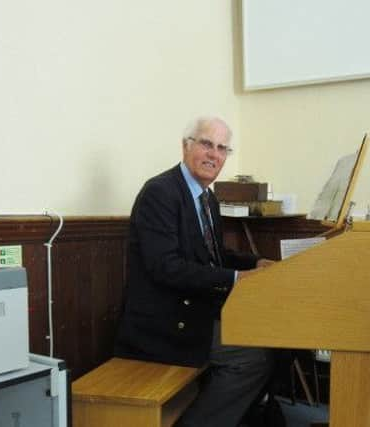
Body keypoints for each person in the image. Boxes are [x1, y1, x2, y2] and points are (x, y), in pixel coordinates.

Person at [115, 116, 275, 427]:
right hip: (163, 324)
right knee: (252, 358)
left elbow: (217, 255)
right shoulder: (160, 192)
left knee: (271, 338)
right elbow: (166, 266)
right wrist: (235, 279)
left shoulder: (207, 198)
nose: (213, 154)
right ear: (186, 146)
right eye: (206, 144)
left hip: (196, 312)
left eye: (222, 148)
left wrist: (255, 263)